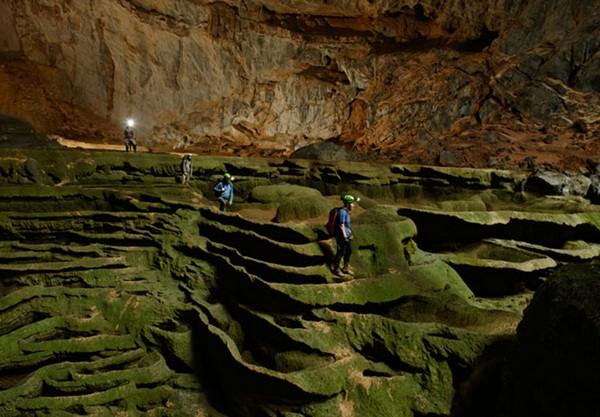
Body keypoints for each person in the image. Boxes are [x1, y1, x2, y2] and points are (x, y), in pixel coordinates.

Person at [332, 194, 358, 277]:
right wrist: (345, 237)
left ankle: (345, 267)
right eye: (352, 203)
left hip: (346, 235)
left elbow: (347, 225)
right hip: (341, 236)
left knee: (349, 251)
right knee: (341, 252)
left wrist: (349, 233)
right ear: (347, 204)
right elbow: (341, 225)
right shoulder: (342, 212)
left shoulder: (346, 211)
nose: (353, 205)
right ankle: (336, 269)